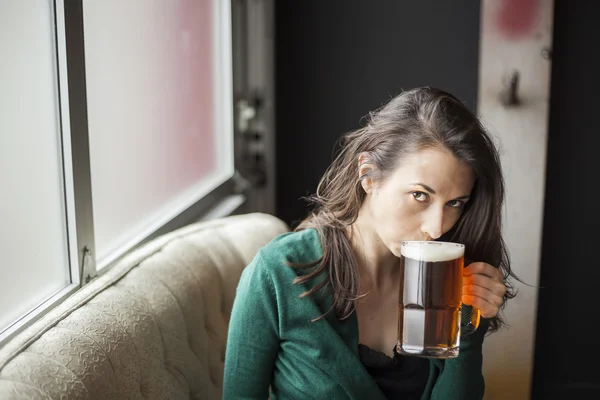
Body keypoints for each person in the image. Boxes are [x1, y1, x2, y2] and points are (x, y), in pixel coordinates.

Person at [223, 87, 515, 400]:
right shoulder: (279, 272)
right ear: (368, 176)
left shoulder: (449, 283)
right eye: (420, 195)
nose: (436, 227)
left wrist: (468, 330)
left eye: (455, 203)